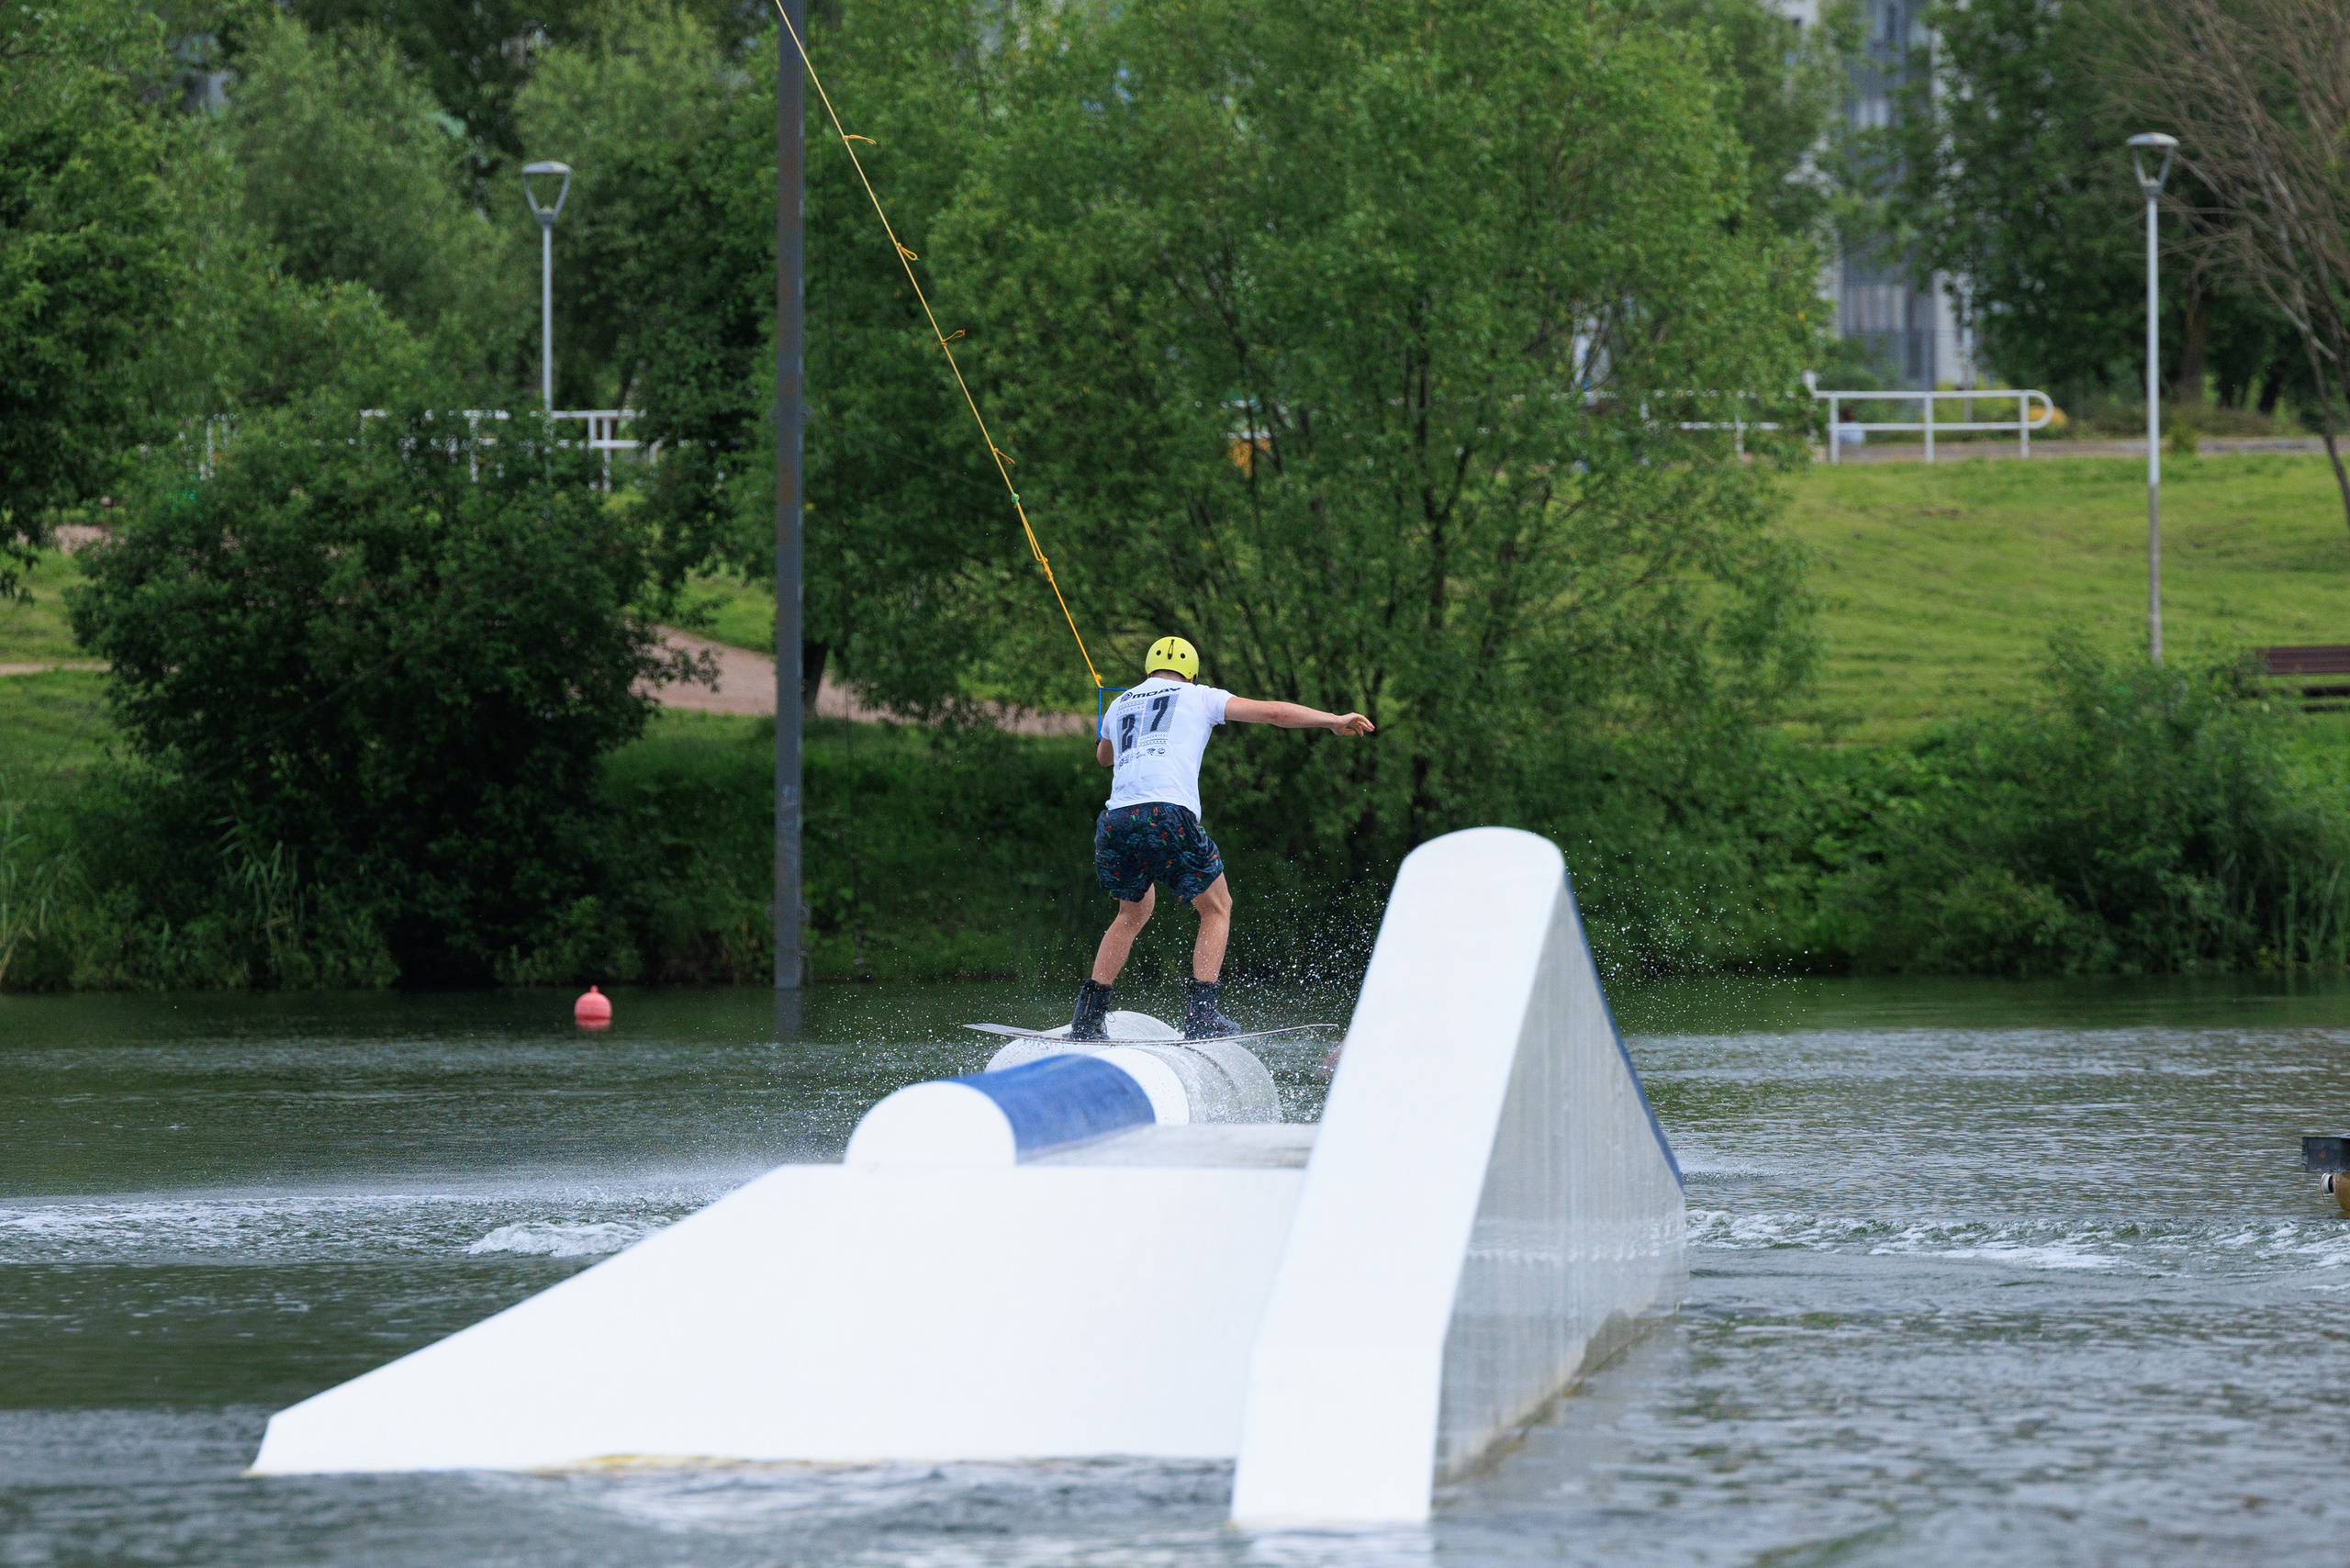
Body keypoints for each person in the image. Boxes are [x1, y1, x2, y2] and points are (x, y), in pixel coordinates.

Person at [1071, 635, 1375, 1041]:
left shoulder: (1119, 702)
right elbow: (1274, 713)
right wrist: (1332, 720)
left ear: (1147, 669)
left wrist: (1104, 728)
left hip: (1116, 820)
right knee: (1217, 907)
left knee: (1132, 914)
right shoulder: (1199, 696)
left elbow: (1104, 757)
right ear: (1192, 673)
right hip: (1167, 814)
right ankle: (1201, 1016)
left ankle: (1088, 1018)